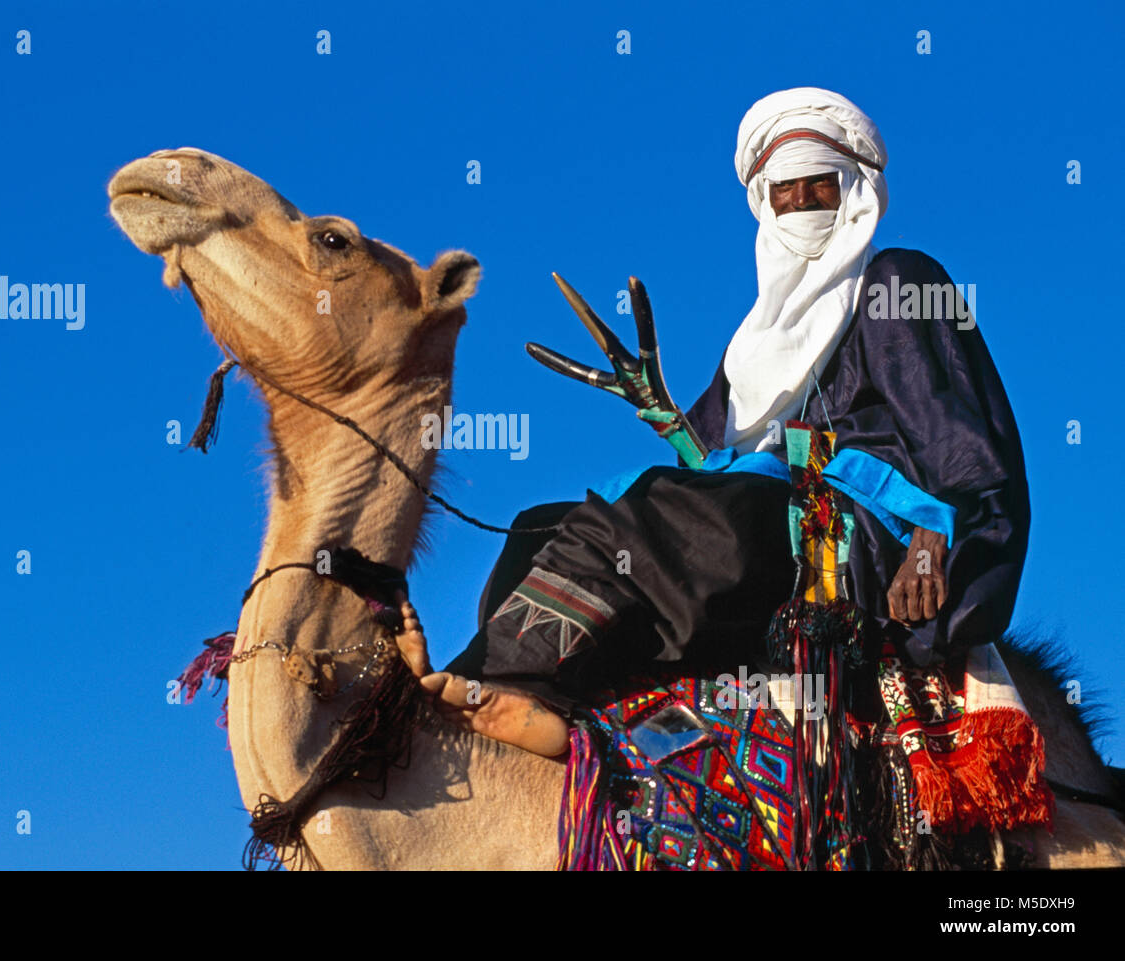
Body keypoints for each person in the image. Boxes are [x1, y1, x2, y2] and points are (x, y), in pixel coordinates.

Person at [395, 87, 1030, 760]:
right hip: (762, 523)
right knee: (539, 525)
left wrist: (933, 542)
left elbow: (964, 447)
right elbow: (722, 465)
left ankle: (511, 685)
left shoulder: (897, 283)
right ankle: (475, 679)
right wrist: (670, 417)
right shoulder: (754, 343)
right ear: (764, 201)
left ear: (855, 192)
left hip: (850, 545)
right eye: (786, 192)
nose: (803, 205)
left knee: (647, 512)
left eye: (820, 187)